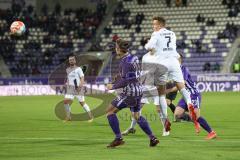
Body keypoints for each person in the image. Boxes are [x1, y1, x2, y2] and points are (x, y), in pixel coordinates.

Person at [145, 16, 199, 133]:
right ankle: (189, 104)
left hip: (163, 64)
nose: (153, 26)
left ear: (160, 25)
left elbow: (149, 47)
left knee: (160, 96)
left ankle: (165, 125)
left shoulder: (156, 34)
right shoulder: (172, 34)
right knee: (182, 87)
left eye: (154, 24)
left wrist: (149, 45)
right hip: (174, 62)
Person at [106, 39, 159, 148]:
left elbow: (126, 80)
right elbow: (129, 75)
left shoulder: (125, 62)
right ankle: (152, 138)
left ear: (120, 49)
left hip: (130, 92)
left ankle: (118, 138)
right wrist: (118, 77)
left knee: (110, 111)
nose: (115, 49)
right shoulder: (132, 58)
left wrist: (113, 86)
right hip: (139, 90)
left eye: (116, 47)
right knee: (136, 115)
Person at [171, 54, 217, 140]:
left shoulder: (183, 69)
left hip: (193, 94)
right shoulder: (175, 71)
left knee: (197, 115)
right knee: (177, 115)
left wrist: (169, 90)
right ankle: (194, 121)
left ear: (179, 59)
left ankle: (211, 132)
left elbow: (182, 84)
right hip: (186, 96)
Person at [64, 55, 94, 122]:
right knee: (65, 102)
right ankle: (68, 117)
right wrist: (67, 83)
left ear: (75, 61)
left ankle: (91, 116)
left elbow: (82, 78)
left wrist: (80, 87)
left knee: (82, 103)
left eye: (72, 60)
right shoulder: (67, 69)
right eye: (70, 60)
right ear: (69, 61)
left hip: (78, 89)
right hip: (70, 89)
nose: (71, 61)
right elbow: (68, 78)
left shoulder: (78, 69)